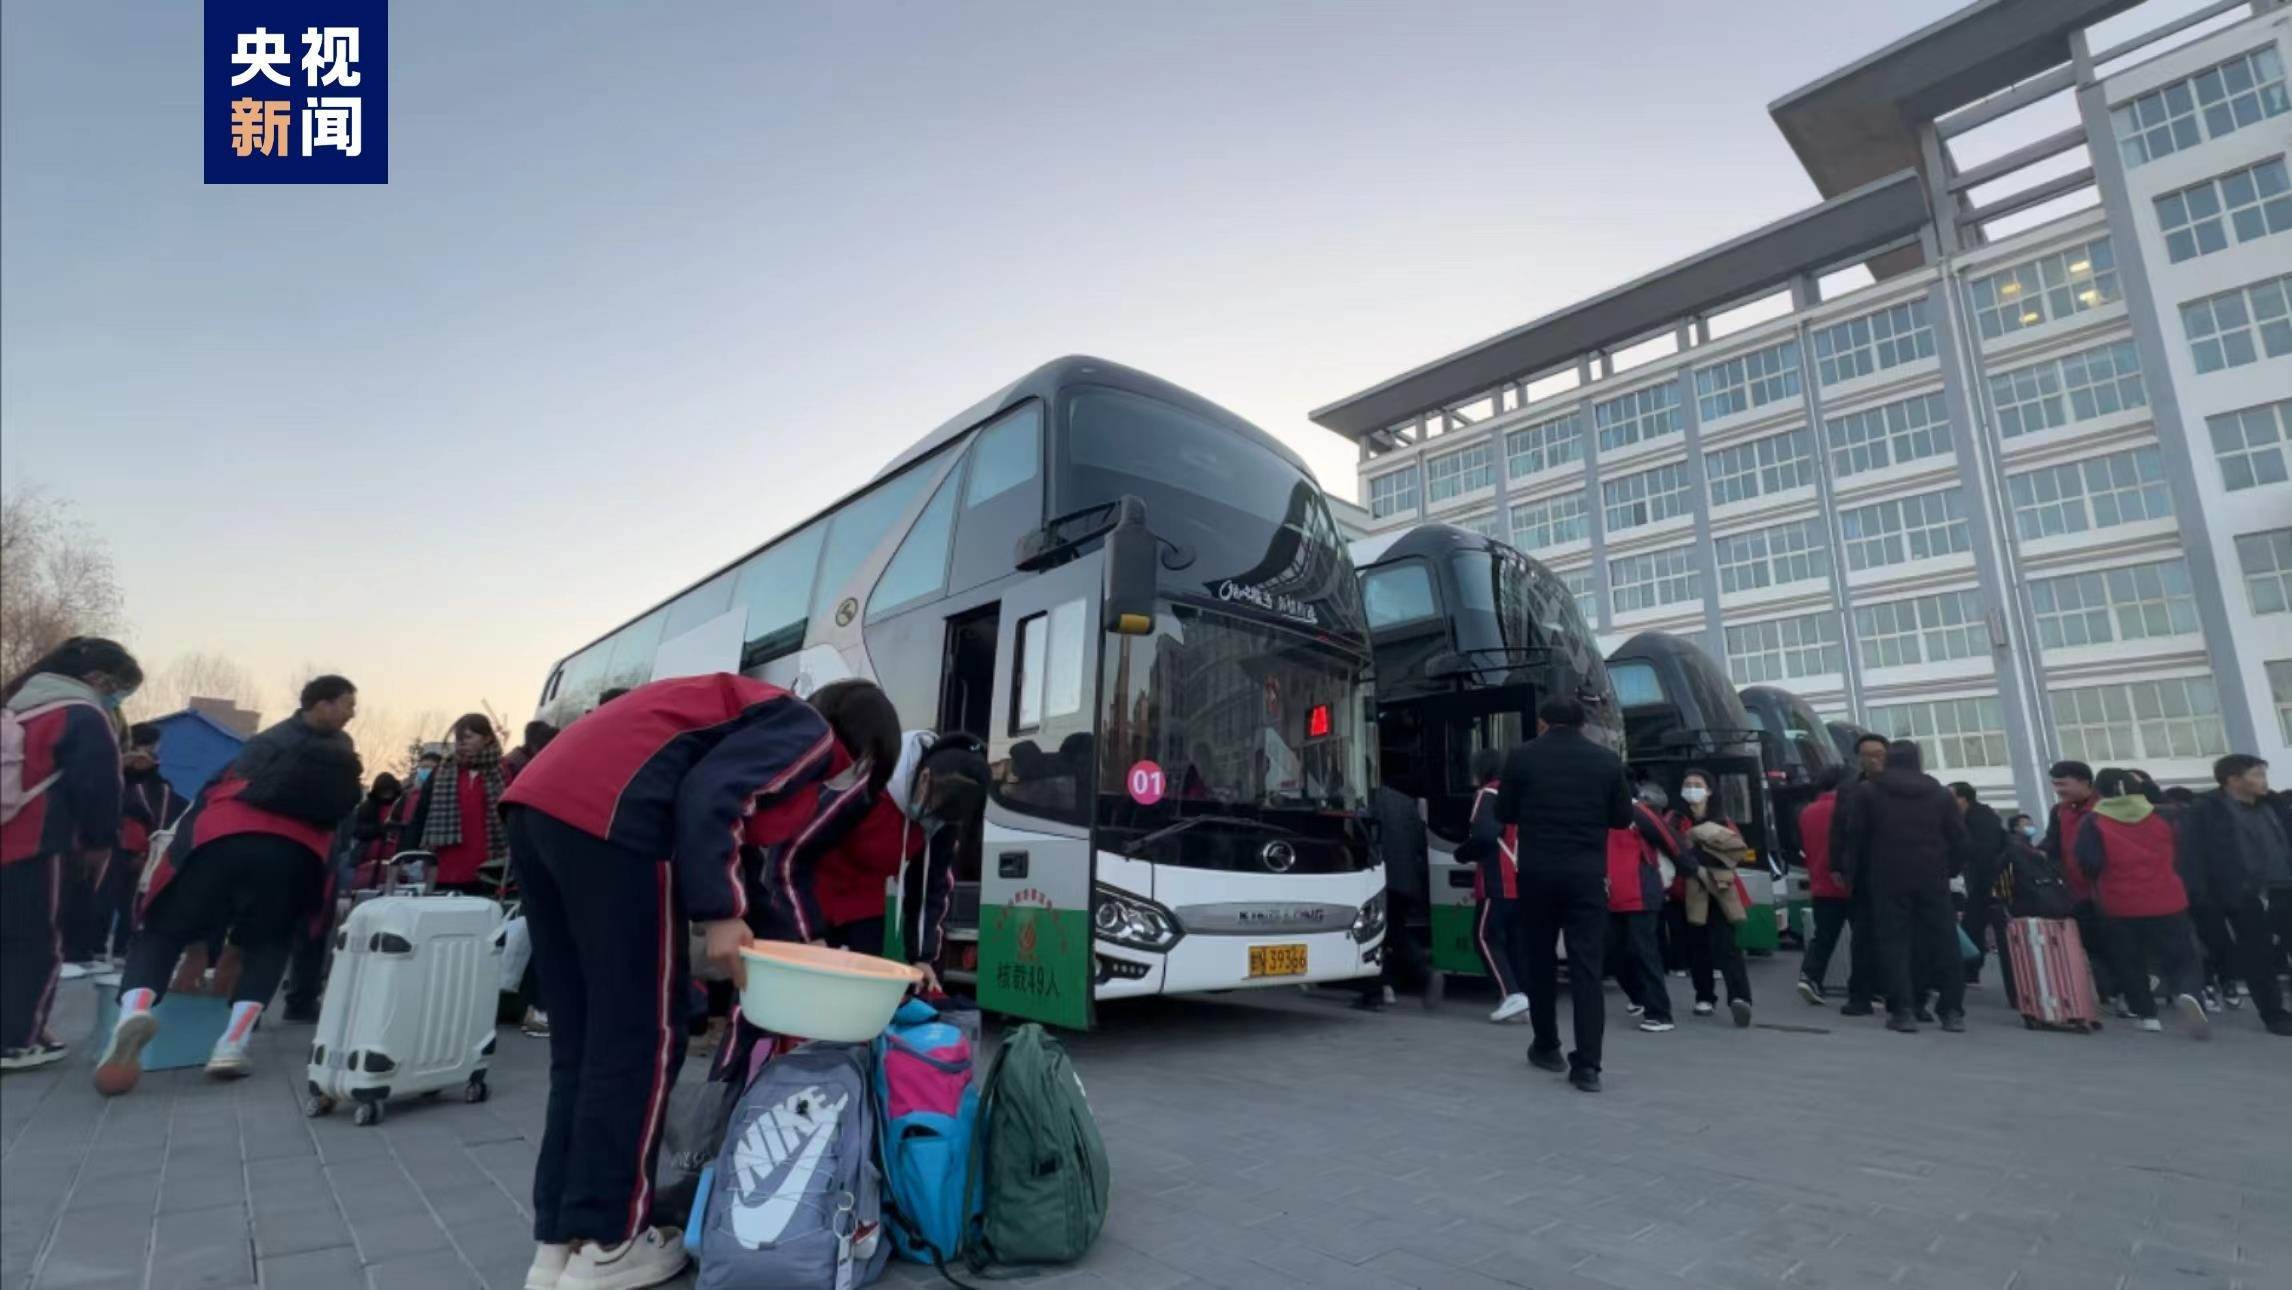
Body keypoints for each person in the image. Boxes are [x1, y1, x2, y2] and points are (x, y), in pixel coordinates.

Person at [497, 672, 845, 1290]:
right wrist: (721, 913)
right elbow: (714, 799)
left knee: (582, 1042)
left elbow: (742, 847)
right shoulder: (808, 729)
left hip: (536, 806)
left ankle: (558, 1243)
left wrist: (786, 937)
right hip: (616, 817)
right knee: (643, 1038)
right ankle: (612, 1242)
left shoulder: (734, 710)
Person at [96, 675, 362, 1091]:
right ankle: (232, 1043)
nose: (352, 713)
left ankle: (135, 1011)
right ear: (322, 703)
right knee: (269, 944)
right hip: (298, 853)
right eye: (347, 704)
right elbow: (340, 829)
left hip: (221, 836)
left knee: (162, 933)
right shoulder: (342, 755)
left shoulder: (264, 743)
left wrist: (195, 939)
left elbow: (206, 801)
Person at [1, 638, 139, 1072]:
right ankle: (15, 1041)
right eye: (120, 690)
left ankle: (26, 1027)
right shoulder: (82, 714)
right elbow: (99, 788)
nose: (118, 700)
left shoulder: (16, 707)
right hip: (37, 844)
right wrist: (100, 844)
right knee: (34, 945)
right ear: (99, 679)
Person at [1494, 695, 1633, 1092]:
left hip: (1536, 875)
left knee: (1539, 961)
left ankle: (1546, 1046)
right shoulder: (1606, 761)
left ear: (1542, 723)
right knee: (1586, 966)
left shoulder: (1522, 757)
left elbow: (1504, 813)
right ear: (1582, 725)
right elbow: (1622, 818)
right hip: (1587, 877)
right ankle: (1588, 1067)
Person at [1833, 740, 1969, 1034]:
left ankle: (1902, 1010)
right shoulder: (1940, 794)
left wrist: (1852, 875)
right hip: (1933, 877)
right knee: (1944, 942)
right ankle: (1951, 1011)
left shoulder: (1868, 792)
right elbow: (1959, 839)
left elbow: (1855, 837)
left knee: (1893, 942)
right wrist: (1949, 869)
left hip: (1886, 877)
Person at [2077, 767, 2207, 1038]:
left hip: (2118, 901)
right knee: (2182, 956)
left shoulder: (2093, 822)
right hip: (2167, 896)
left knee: (2129, 960)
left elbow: (2090, 863)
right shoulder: (2166, 815)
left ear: (2098, 792)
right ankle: (2188, 992)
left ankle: (2147, 1015)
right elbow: (2184, 854)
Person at [2174, 755, 2291, 1037]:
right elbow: (2190, 853)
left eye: (2263, 774)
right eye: (2256, 775)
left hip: (2280, 886)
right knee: (2252, 952)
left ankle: (2271, 1009)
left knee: (2267, 950)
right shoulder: (2205, 809)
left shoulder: (2273, 804)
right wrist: (2197, 892)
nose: (2263, 781)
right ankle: (2272, 1013)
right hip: (2232, 891)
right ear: (2233, 780)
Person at [1666, 767, 1754, 1027]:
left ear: (1709, 790)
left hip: (1718, 890)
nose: (1692, 789)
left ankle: (1740, 998)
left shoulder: (1722, 820)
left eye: (1697, 784)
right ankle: (1704, 996)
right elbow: (1670, 849)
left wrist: (1697, 853)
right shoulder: (1673, 819)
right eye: (1687, 784)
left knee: (1727, 945)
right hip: (1685, 892)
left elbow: (1735, 851)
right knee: (1697, 946)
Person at [102, 722, 184, 964]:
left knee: (119, 898)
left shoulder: (121, 778)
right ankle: (117, 947)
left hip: (122, 846)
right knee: (126, 899)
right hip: (131, 847)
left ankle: (109, 947)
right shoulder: (140, 784)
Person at [2040, 760, 2118, 1010]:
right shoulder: (2059, 812)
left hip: (2109, 890)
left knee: (2115, 943)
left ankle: (2124, 990)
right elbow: (2051, 844)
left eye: (2063, 784)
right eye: (2055, 784)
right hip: (2077, 891)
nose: (2058, 790)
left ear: (2084, 782)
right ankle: (2109, 991)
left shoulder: (2107, 807)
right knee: (2092, 943)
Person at [1458, 749, 1526, 1023]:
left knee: (1484, 937)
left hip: (1498, 879)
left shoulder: (1488, 794)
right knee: (1514, 942)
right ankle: (1521, 995)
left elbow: (1485, 835)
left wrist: (1462, 853)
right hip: (1523, 881)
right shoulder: (1519, 795)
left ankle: (1511, 994)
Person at [1604, 783, 1679, 1034]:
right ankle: (1640, 997)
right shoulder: (1599, 814)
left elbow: (1672, 843)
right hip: (1611, 896)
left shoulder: (1639, 813)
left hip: (1642, 894)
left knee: (1644, 954)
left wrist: (1691, 870)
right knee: (1613, 954)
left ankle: (1660, 1013)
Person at [410, 714, 513, 896]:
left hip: (489, 867)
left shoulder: (503, 771)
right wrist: (410, 852)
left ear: (487, 738)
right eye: (458, 738)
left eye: (468, 737)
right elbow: (421, 814)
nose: (461, 743)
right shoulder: (443, 771)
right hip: (447, 866)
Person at [1829, 733, 1892, 1017]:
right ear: (1858, 759)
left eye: (1879, 754)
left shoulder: (1899, 786)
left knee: (1896, 936)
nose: (1873, 760)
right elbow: (1838, 830)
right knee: (1862, 936)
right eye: (1867, 755)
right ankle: (1860, 996)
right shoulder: (1849, 789)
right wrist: (1836, 866)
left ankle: (1898, 993)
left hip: (1896, 873)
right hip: (1861, 874)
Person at [1362, 781, 1434, 1010]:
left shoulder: (1368, 802)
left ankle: (1380, 990)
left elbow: (1366, 839)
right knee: (1392, 932)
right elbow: (1420, 842)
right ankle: (1385, 987)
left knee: (1372, 933)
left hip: (1382, 878)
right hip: (1407, 880)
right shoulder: (1406, 803)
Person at [1795, 768, 1851, 1005]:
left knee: (1823, 937)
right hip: (1849, 883)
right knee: (1863, 938)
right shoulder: (1849, 808)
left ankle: (1810, 977)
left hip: (1820, 883)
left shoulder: (1807, 811)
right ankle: (1866, 986)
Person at [1950, 782, 2008, 986]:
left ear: (1963, 798)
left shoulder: (1980, 818)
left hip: (1990, 880)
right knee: (1975, 924)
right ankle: (1971, 971)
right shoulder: (1974, 816)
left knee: (1976, 924)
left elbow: (1982, 852)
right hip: (1984, 880)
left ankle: (1971, 970)